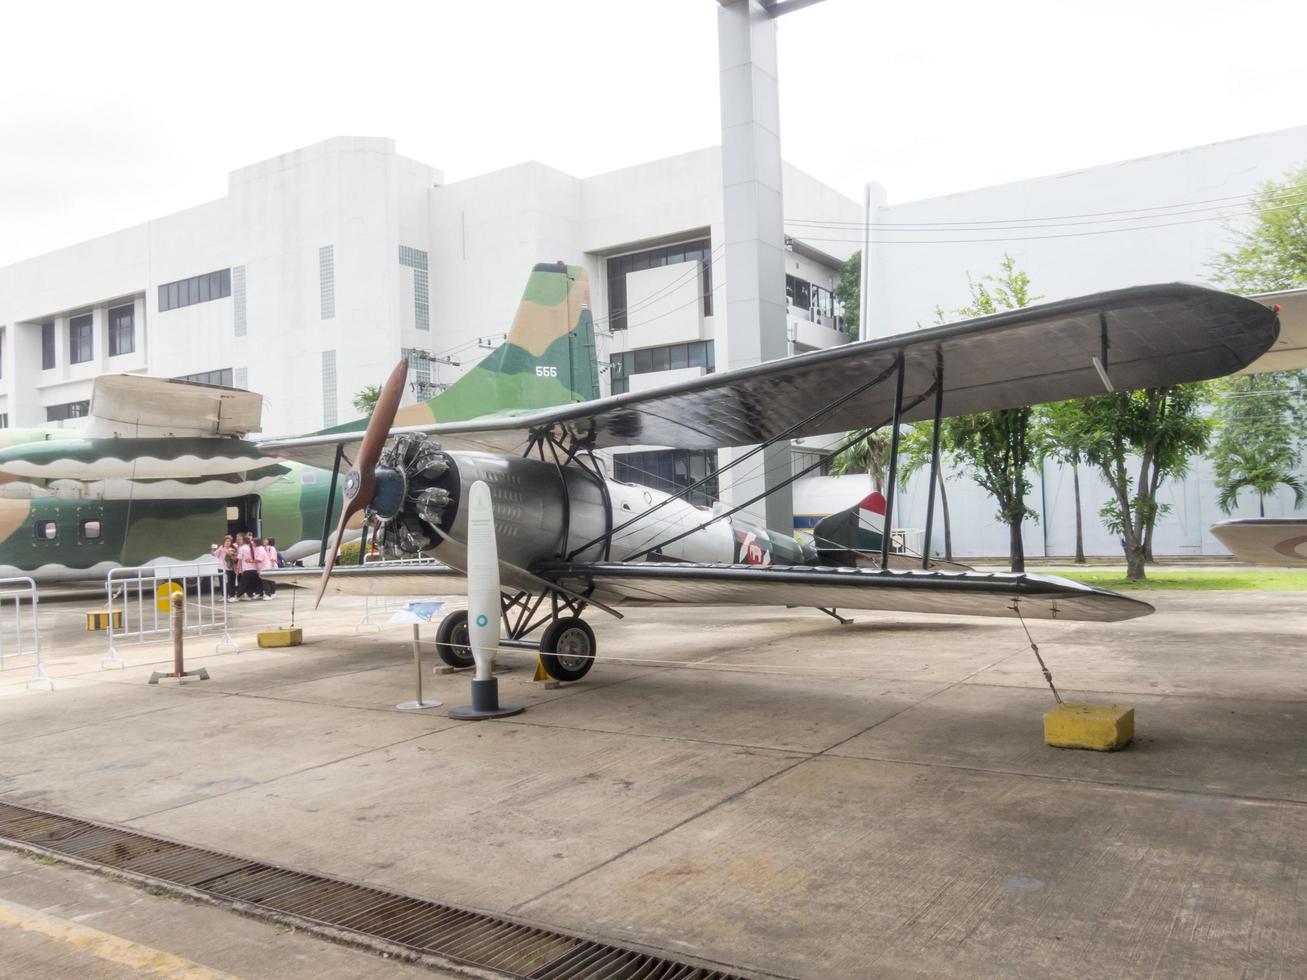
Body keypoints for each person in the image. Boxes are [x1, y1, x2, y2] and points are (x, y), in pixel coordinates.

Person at [236, 532, 262, 600]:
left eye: (240, 540)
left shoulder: (242, 548)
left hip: (247, 568)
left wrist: (238, 568)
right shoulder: (252, 547)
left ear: (243, 540)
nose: (238, 541)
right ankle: (251, 595)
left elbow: (239, 559)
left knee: (243, 583)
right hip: (254, 568)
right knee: (250, 583)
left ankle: (238, 596)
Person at [212, 534, 238, 602]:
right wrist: (217, 548)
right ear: (224, 542)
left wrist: (228, 552)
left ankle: (231, 595)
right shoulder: (221, 548)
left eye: (229, 541)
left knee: (229, 582)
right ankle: (224, 596)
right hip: (221, 567)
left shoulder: (232, 549)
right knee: (222, 582)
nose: (227, 543)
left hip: (229, 569)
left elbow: (233, 557)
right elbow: (215, 554)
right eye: (226, 541)